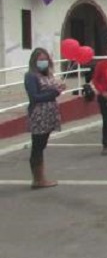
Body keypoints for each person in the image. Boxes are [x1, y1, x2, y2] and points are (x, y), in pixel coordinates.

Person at [24, 48, 65, 189]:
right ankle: (37, 179)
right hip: (39, 114)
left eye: (45, 59)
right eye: (40, 59)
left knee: (42, 145)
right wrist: (54, 93)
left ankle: (41, 177)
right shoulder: (31, 76)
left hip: (50, 114)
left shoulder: (48, 74)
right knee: (38, 146)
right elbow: (34, 97)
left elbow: (51, 89)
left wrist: (59, 87)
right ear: (34, 61)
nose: (43, 62)